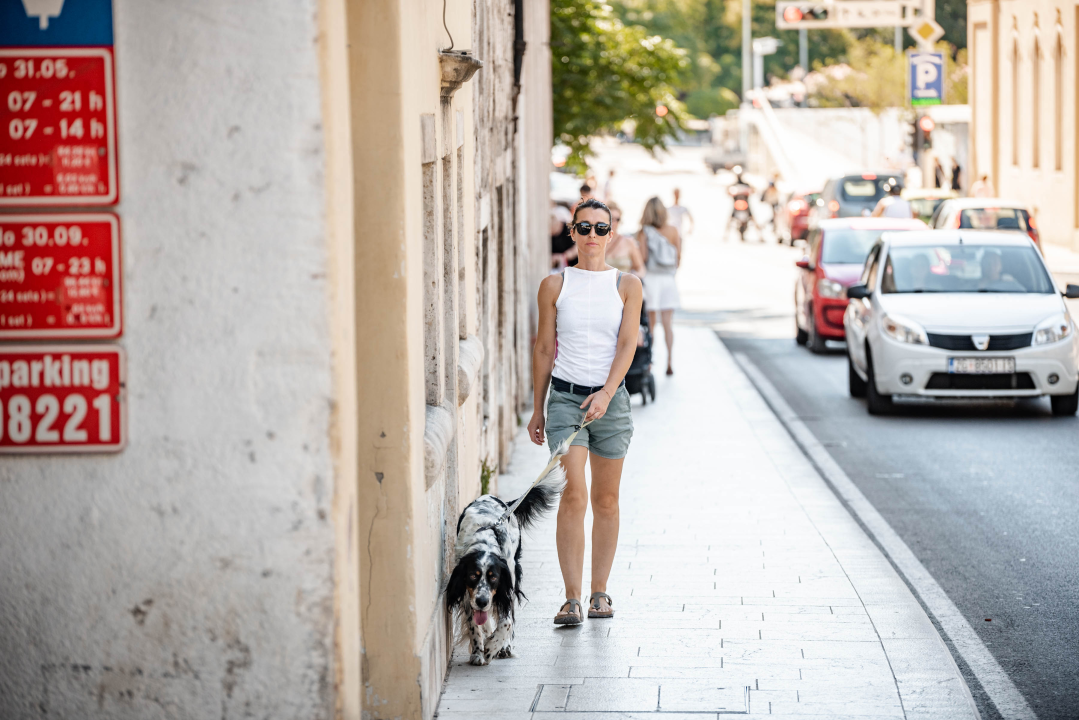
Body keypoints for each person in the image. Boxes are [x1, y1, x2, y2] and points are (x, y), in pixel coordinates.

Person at [527, 198, 644, 626]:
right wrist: (538, 409)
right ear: (572, 233)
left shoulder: (627, 285)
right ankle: (571, 598)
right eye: (584, 228)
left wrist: (607, 393)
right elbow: (543, 349)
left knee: (607, 499)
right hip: (564, 400)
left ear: (611, 236)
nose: (592, 236)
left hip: (611, 405)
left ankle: (600, 593)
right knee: (573, 491)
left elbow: (627, 345)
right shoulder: (554, 286)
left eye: (600, 228)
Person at [636, 196, 681, 375]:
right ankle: (670, 360)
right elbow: (679, 257)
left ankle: (649, 362)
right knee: (669, 324)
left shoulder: (644, 232)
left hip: (652, 279)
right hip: (668, 280)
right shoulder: (673, 230)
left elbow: (643, 258)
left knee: (651, 324)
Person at [604, 202, 645, 275]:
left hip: (623, 285)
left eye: (618, 219)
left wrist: (631, 279)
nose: (614, 222)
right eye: (611, 218)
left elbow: (641, 269)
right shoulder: (597, 240)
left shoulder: (629, 241)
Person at [550, 201, 577, 270]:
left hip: (574, 264)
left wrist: (562, 257)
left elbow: (577, 248)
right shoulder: (550, 236)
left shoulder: (569, 229)